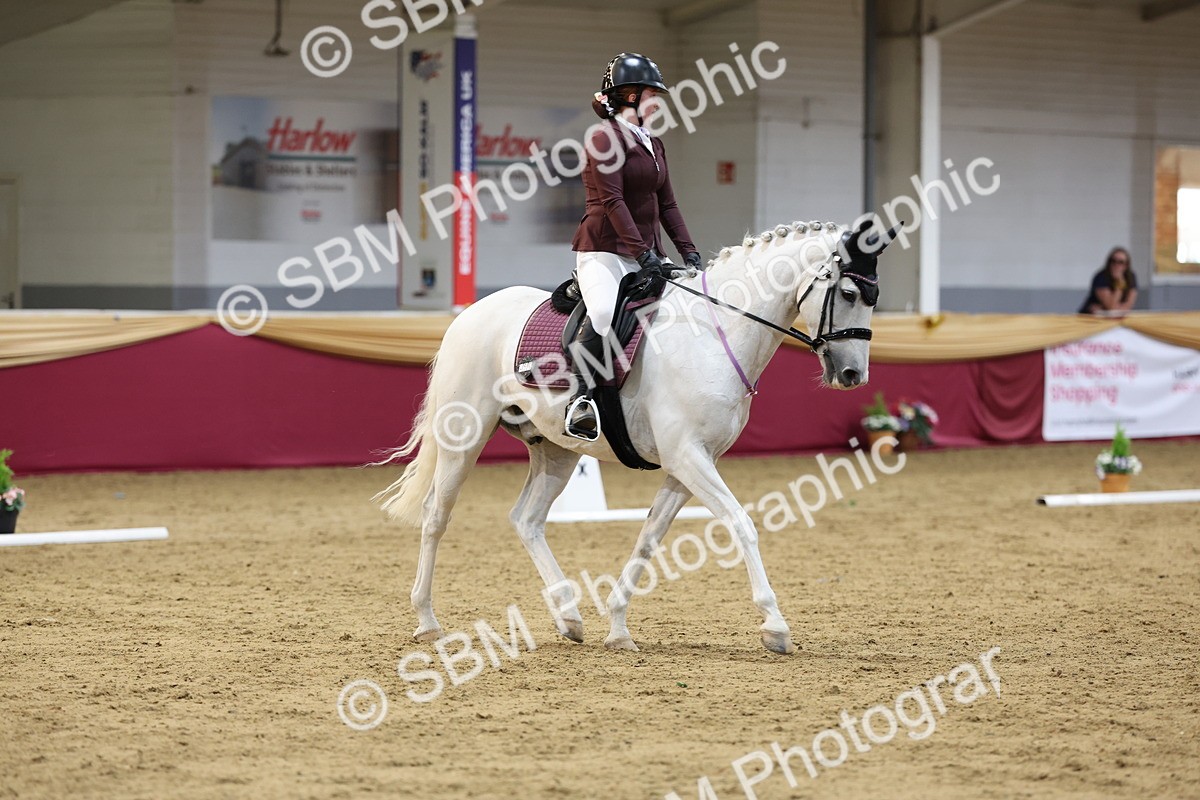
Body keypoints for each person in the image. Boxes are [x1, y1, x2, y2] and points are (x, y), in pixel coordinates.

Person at [565, 52, 702, 441]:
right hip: (604, 250)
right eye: (651, 95)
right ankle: (580, 401)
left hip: (646, 252)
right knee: (606, 312)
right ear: (628, 97)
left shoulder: (654, 144)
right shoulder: (603, 139)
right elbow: (613, 202)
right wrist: (643, 254)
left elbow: (668, 205)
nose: (658, 102)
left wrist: (688, 251)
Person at [1079, 247, 1138, 315]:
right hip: (1092, 318)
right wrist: (1119, 283)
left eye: (1121, 262)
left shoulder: (1130, 277)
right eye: (1113, 261)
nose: (1116, 265)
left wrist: (1109, 309)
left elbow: (1128, 305)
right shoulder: (1101, 277)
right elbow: (1111, 307)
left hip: (1112, 316)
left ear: (1126, 265)